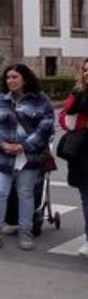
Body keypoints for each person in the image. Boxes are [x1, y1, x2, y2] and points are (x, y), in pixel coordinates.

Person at [0, 63, 54, 251]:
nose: (11, 81)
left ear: (24, 78)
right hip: (2, 156)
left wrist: (25, 145)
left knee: (25, 193)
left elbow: (46, 126)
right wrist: (3, 144)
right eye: (8, 78)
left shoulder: (40, 100)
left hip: (29, 156)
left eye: (15, 77)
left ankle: (25, 231)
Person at [57, 57, 88, 258]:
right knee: (87, 198)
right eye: (85, 70)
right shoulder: (77, 95)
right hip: (83, 154)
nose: (87, 73)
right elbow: (65, 121)